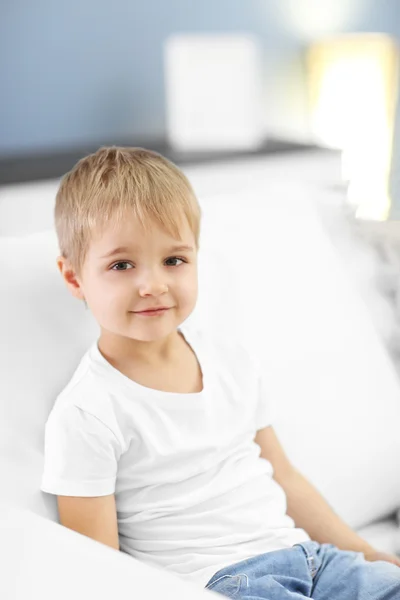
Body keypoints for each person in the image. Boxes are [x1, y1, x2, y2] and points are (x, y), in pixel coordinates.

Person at [40, 146, 400, 599]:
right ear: (74, 279)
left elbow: (284, 477)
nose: (153, 284)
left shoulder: (230, 361)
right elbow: (97, 567)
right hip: (222, 583)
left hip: (311, 559)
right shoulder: (88, 412)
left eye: (174, 260)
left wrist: (365, 552)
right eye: (121, 265)